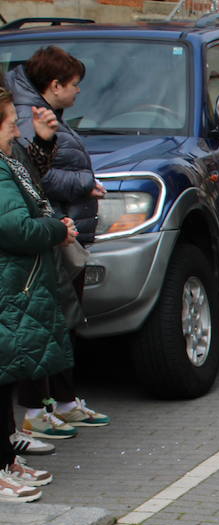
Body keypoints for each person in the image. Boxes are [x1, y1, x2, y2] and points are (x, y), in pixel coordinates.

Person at [7, 46, 111, 441]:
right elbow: (34, 177)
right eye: (74, 85)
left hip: (66, 229)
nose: (78, 92)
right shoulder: (26, 117)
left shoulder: (46, 117)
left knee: (64, 321)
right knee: (45, 324)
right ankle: (37, 409)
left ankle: (63, 401)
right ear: (54, 85)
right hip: (51, 234)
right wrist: (85, 184)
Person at [0, 85, 75, 500]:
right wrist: (55, 229)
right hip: (8, 283)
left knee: (6, 376)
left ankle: (7, 457)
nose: (15, 131)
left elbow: (31, 187)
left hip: (14, 284)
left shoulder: (9, 159)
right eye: (10, 124)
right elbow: (13, 226)